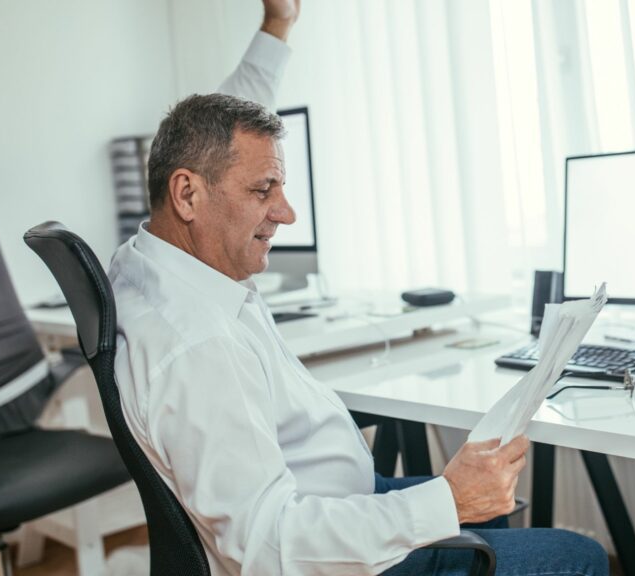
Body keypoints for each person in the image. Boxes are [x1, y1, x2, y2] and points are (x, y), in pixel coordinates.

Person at [109, 2, 609, 575]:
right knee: (578, 557)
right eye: (265, 188)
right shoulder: (196, 346)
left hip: (332, 493)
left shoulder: (151, 260)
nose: (287, 211)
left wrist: (278, 26)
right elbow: (265, 547)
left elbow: (226, 123)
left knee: (487, 510)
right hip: (315, 545)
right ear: (188, 194)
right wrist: (447, 501)